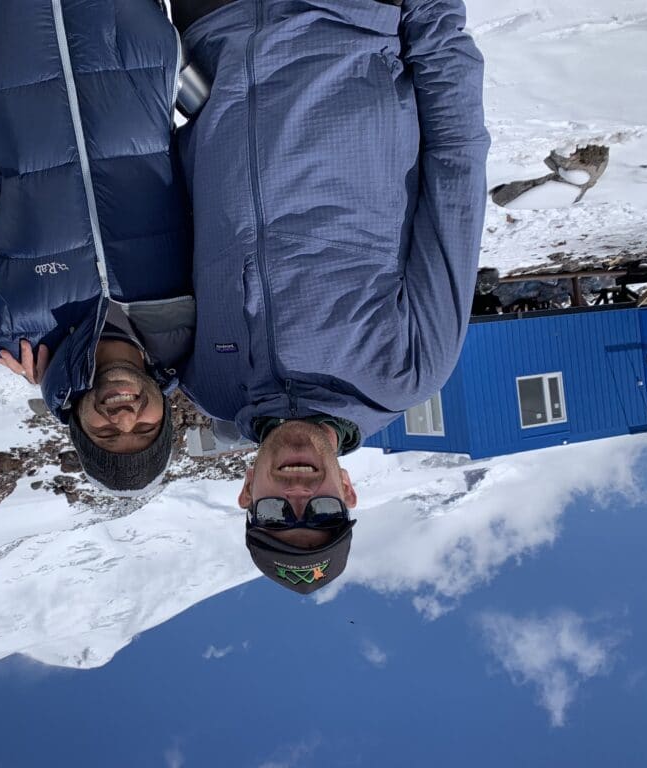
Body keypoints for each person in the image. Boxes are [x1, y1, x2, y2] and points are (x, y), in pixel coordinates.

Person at [172, 0, 491, 591]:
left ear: (246, 493)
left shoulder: (204, 381)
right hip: (347, 17)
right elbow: (456, 167)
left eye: (275, 513)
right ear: (347, 491)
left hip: (215, 21)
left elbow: (141, 255)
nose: (298, 494)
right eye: (322, 512)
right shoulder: (406, 372)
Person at [0, 0, 194, 494]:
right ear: (166, 415)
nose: (124, 417)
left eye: (107, 434)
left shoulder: (4, 322)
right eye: (145, 430)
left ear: (78, 424)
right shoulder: (200, 318)